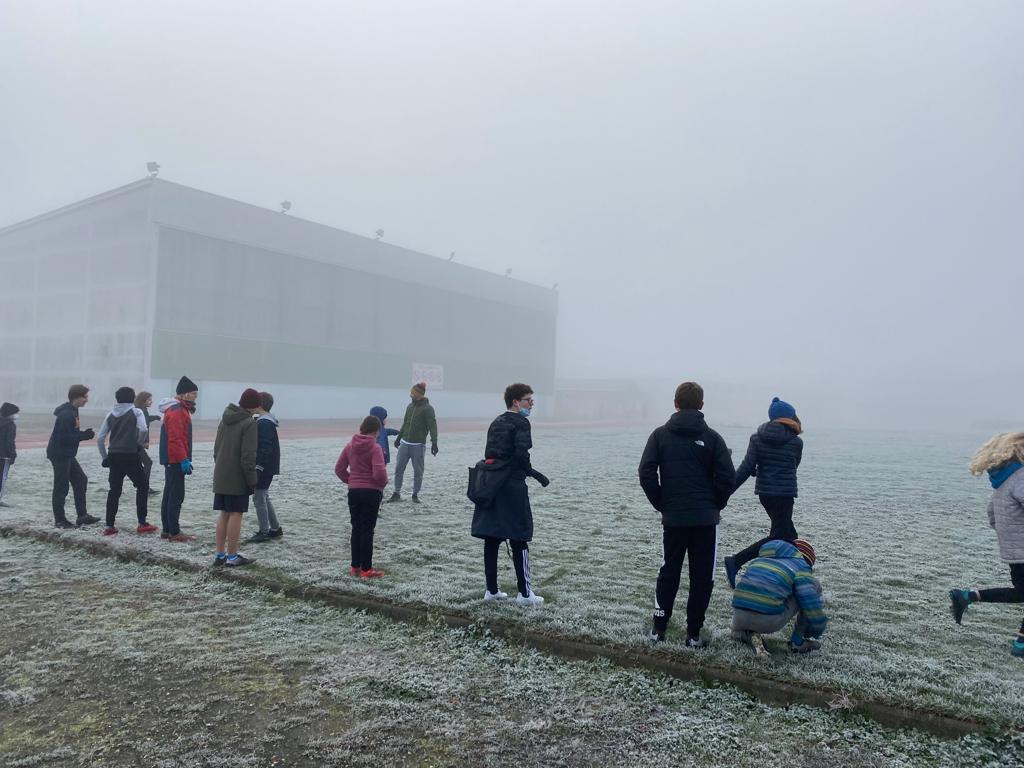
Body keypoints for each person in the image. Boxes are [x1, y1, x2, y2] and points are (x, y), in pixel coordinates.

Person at [639, 381, 735, 647]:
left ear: (675, 403)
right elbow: (728, 477)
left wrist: (662, 502)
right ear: (701, 405)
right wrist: (715, 503)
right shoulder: (713, 438)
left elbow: (646, 473)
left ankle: (659, 629)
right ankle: (693, 634)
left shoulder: (659, 436)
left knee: (668, 571)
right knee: (702, 576)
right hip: (704, 521)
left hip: (676, 519)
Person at [470, 383, 549, 605]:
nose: (531, 404)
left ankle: (491, 590)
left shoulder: (496, 421)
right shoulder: (521, 423)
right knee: (519, 537)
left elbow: (491, 452)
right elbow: (522, 454)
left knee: (492, 537)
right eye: (528, 400)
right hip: (512, 486)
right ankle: (525, 593)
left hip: (492, 484)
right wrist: (530, 471)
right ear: (516, 402)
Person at [949, 432, 1024, 659]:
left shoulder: (1003, 481)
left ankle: (968, 596)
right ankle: (1021, 644)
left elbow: (992, 515)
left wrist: (1010, 537)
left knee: (1021, 593)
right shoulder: (1020, 477)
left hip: (1014, 551)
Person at [724, 397, 804, 589]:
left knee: (789, 536)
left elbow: (746, 468)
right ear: (789, 417)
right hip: (784, 494)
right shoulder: (796, 442)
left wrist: (725, 492)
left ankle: (787, 576)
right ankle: (736, 561)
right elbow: (792, 467)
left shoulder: (757, 438)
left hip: (766, 494)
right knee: (780, 536)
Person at [731, 539, 827, 654]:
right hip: (767, 621)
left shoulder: (761, 559)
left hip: (738, 616)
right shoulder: (801, 566)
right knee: (809, 587)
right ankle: (797, 642)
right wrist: (817, 626)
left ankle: (745, 635)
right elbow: (808, 599)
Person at [97, 386, 156, 535]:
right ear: (133, 398)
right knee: (142, 486)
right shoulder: (136, 412)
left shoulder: (110, 414)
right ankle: (142, 522)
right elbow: (143, 429)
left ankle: (109, 526)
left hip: (114, 455)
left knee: (114, 490)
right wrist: (139, 444)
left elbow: (100, 438)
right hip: (130, 454)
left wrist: (104, 457)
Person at [335, 414, 389, 578]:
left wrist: (351, 480)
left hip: (354, 492)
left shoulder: (350, 446)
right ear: (376, 430)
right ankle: (367, 569)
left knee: (356, 528)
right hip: (371, 492)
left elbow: (339, 469)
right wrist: (382, 484)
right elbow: (379, 473)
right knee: (367, 530)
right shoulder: (375, 448)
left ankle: (355, 566)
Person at [212, 388, 260, 567]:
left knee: (224, 513)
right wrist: (252, 480)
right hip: (237, 477)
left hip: (221, 473)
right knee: (236, 514)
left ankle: (220, 554)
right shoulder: (249, 423)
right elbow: (248, 456)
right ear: (253, 406)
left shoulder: (225, 419)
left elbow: (216, 448)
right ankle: (232, 557)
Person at [46, 384, 98, 529]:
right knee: (61, 487)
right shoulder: (66, 414)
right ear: (76, 397)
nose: (86, 400)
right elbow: (64, 437)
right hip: (60, 454)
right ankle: (60, 520)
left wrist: (82, 434)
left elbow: (70, 433)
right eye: (84, 397)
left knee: (81, 480)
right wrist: (84, 435)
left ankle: (82, 516)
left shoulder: (73, 410)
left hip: (67, 453)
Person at [159, 376, 198, 542]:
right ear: (184, 394)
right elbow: (175, 439)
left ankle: (167, 530)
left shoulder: (179, 409)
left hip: (172, 458)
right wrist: (183, 459)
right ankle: (174, 532)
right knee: (175, 496)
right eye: (194, 394)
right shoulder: (177, 411)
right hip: (174, 459)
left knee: (169, 493)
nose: (196, 397)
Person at [388, 381, 438, 504]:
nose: (410, 395)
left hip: (418, 446)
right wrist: (399, 438)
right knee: (399, 469)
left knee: (418, 472)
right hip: (405, 444)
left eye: (413, 393)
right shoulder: (409, 407)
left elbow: (432, 426)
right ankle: (396, 492)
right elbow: (405, 423)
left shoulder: (428, 409)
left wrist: (434, 442)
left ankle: (415, 495)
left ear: (419, 394)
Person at [247, 391, 283, 543]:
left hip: (264, 467)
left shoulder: (264, 423)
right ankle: (275, 529)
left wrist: (259, 466)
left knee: (259, 497)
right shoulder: (265, 421)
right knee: (263, 496)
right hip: (268, 466)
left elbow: (265, 447)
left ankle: (264, 531)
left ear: (259, 405)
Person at [134, 391, 161, 496]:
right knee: (148, 463)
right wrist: (144, 442)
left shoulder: (139, 409)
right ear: (143, 400)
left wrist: (155, 417)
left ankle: (142, 485)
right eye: (149, 399)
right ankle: (144, 487)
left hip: (134, 443)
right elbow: (143, 428)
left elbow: (146, 420)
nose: (151, 401)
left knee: (138, 464)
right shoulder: (142, 411)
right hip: (137, 443)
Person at [0, 402, 19, 507]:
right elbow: (10, 442)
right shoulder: (10, 425)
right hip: (4, 456)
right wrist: (13, 455)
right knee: (2, 478)